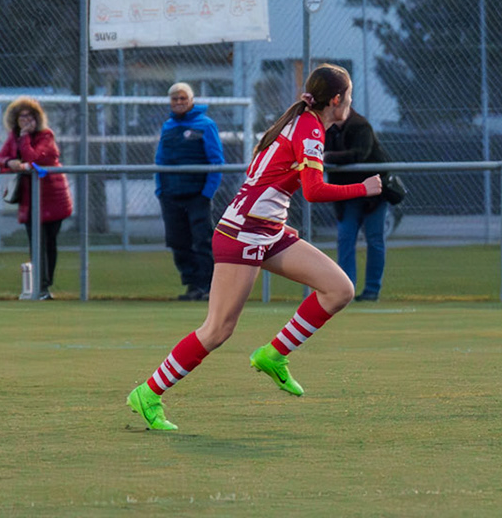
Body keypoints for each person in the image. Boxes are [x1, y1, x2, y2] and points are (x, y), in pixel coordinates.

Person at [125, 64, 382, 431]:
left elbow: (261, 177)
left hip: (265, 229)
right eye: (350, 96)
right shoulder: (309, 127)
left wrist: (274, 219)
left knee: (339, 289)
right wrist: (363, 188)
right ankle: (148, 393)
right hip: (244, 232)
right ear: (336, 99)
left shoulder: (299, 122)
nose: (351, 103)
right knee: (217, 330)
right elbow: (312, 191)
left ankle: (273, 355)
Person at [155, 82, 231, 301]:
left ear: (191, 101)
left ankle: (208, 286)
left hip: (197, 194)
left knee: (202, 240)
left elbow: (216, 161)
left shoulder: (205, 125)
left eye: (183, 98)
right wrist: (161, 190)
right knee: (177, 241)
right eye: (175, 99)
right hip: (171, 194)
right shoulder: (168, 126)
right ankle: (192, 285)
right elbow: (161, 160)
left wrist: (207, 192)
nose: (179, 102)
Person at [0, 97, 74, 298]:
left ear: (36, 118)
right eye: (21, 117)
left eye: (29, 117)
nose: (25, 120)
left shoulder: (46, 136)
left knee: (49, 241)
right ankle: (40, 286)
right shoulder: (13, 137)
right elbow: (0, 158)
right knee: (36, 242)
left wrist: (25, 138)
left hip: (52, 197)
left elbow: (35, 158)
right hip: (30, 199)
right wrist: (10, 162)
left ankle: (45, 285)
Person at [324, 104, 393, 301]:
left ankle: (372, 289)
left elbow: (359, 154)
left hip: (373, 195)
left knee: (375, 240)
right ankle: (346, 289)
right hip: (348, 194)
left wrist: (328, 157)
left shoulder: (360, 126)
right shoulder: (329, 130)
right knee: (345, 238)